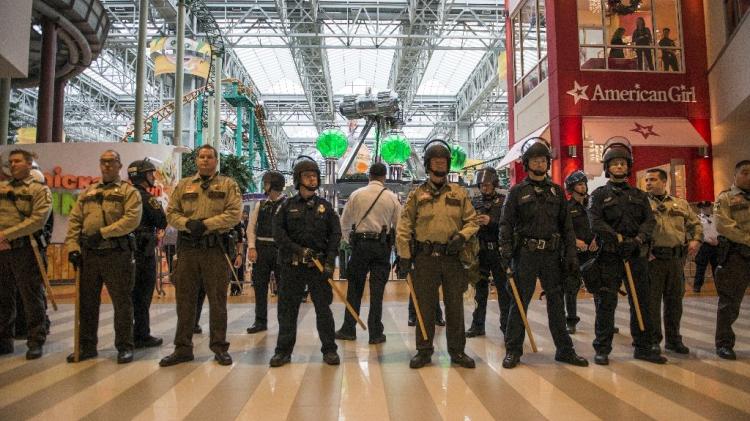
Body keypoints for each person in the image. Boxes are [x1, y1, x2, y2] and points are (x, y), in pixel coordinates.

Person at [498, 138, 588, 369]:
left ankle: (564, 350)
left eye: (543, 160)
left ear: (547, 163)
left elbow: (567, 227)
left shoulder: (557, 192)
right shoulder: (517, 191)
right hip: (525, 255)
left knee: (557, 304)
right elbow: (506, 225)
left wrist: (570, 256)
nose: (539, 163)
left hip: (551, 255)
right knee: (519, 303)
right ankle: (513, 350)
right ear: (526, 164)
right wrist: (506, 254)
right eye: (535, 160)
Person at [396, 139, 479, 369]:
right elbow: (404, 226)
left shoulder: (459, 193)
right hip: (424, 259)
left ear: (449, 164)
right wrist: (404, 256)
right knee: (425, 305)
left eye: (443, 161)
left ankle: (457, 351)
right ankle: (423, 351)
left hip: (452, 258)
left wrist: (462, 236)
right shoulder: (416, 195)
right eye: (436, 161)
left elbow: (472, 221)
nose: (440, 165)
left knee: (455, 306)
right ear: (428, 164)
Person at [159, 144, 242, 367]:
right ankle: (183, 348)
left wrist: (204, 225)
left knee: (218, 301)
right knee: (184, 301)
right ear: (196, 160)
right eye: (201, 156)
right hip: (187, 249)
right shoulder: (184, 185)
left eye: (209, 157)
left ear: (216, 161)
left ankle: (219, 347)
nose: (205, 160)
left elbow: (234, 214)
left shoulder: (228, 185)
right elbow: (171, 212)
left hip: (214, 249)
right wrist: (187, 224)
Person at [588, 137, 666, 365]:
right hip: (610, 255)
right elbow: (595, 222)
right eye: (614, 163)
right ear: (607, 167)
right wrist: (617, 239)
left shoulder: (640, 196)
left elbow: (649, 222)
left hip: (636, 255)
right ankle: (602, 348)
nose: (619, 166)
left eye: (623, 163)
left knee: (641, 301)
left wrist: (638, 239)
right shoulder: (599, 195)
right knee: (606, 302)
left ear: (628, 167)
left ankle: (643, 346)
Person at [65, 150, 142, 364]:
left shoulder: (128, 192)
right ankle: (87, 346)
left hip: (116, 254)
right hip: (89, 255)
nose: (107, 165)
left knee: (122, 303)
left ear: (119, 165)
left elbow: (131, 220)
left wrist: (103, 233)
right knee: (87, 303)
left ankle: (125, 346)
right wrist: (73, 247)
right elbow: (75, 221)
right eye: (103, 162)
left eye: (111, 162)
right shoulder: (88, 192)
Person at [269, 157, 341, 367]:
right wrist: (299, 251)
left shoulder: (326, 207)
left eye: (314, 176)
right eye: (307, 175)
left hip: (317, 268)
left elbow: (335, 236)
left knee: (324, 310)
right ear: (298, 179)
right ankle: (283, 351)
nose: (312, 179)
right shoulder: (286, 206)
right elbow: (279, 235)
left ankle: (329, 350)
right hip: (292, 267)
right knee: (288, 311)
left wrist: (329, 262)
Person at [336, 162, 401, 344]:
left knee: (354, 289)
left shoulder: (356, 195)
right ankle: (375, 333)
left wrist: (351, 241)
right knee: (377, 291)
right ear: (384, 177)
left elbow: (344, 223)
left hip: (360, 246)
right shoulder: (391, 197)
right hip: (381, 247)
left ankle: (349, 328)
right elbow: (400, 225)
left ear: (369, 176)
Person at [0, 149, 52, 360]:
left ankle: (35, 340)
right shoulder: (2, 189)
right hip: (2, 250)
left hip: (25, 248)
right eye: (11, 161)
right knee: (3, 296)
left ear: (29, 164)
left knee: (31, 297)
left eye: (18, 161)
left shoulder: (39, 190)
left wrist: (6, 235)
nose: (13, 165)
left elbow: (38, 219)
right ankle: (4, 340)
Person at [644, 168, 702, 354]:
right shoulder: (642, 204)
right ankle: (653, 340)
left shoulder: (680, 204)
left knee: (674, 302)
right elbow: (634, 229)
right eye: (646, 180)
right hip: (653, 260)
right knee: (651, 303)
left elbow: (695, 224)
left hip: (676, 259)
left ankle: (674, 339)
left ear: (664, 182)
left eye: (653, 179)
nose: (648, 183)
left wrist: (695, 240)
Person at [127, 158, 168, 349]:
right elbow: (161, 220)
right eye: (151, 173)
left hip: (125, 251)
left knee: (127, 296)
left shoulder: (123, 195)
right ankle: (141, 335)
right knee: (143, 294)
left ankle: (126, 335)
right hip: (143, 251)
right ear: (143, 176)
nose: (153, 177)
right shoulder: (146, 197)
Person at [713, 160, 750, 360]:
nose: (749, 177)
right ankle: (724, 343)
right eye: (745, 173)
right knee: (729, 303)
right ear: (735, 176)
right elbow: (724, 225)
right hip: (737, 255)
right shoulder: (726, 198)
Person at [466, 167, 509, 338]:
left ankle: (506, 326)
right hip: (480, 252)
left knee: (503, 291)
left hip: (497, 251)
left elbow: (508, 225)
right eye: (482, 185)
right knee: (480, 291)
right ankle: (478, 325)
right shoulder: (474, 202)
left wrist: (491, 221)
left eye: (488, 185)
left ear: (494, 184)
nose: (485, 188)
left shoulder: (504, 201)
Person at [245, 171, 286, 334]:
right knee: (260, 287)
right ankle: (260, 321)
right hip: (262, 249)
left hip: (280, 250)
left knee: (283, 288)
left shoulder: (287, 205)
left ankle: (284, 322)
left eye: (267, 183)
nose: (264, 186)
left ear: (274, 185)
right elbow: (251, 228)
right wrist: (252, 247)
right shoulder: (260, 205)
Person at [563, 170, 597, 334]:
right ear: (571, 188)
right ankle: (571, 320)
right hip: (575, 253)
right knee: (571, 287)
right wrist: (575, 241)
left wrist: (598, 239)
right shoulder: (567, 208)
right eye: (579, 184)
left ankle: (604, 321)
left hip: (594, 251)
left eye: (584, 183)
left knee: (599, 287)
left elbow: (600, 223)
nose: (583, 187)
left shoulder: (593, 204)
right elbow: (562, 230)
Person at [693, 201, 719, 293]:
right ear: (700, 209)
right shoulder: (698, 219)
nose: (705, 209)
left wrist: (717, 240)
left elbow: (719, 230)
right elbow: (698, 232)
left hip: (716, 245)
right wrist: (706, 240)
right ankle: (697, 286)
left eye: (707, 207)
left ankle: (719, 286)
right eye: (703, 208)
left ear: (710, 208)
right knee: (701, 267)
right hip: (704, 245)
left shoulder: (715, 218)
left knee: (717, 267)